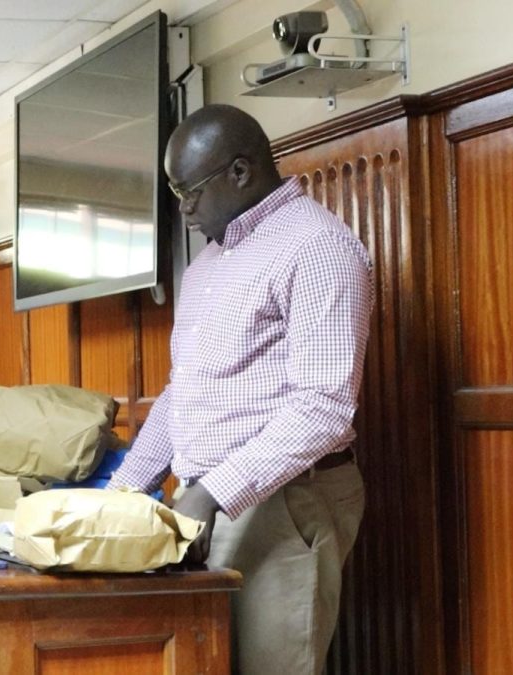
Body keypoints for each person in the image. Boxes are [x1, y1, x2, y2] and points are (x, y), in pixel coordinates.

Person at [108, 104, 373, 675]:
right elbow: (185, 393)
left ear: (240, 171)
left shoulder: (316, 246)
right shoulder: (208, 265)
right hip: (211, 500)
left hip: (286, 500)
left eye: (191, 191)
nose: (184, 209)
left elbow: (323, 408)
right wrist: (125, 489)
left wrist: (210, 494)